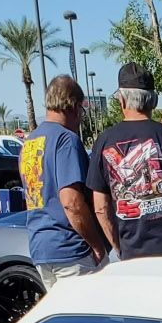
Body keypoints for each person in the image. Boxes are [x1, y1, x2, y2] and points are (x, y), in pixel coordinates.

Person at [87, 65, 162, 262]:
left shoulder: (104, 141)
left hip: (132, 257)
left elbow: (100, 206)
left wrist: (118, 247)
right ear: (154, 100)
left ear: (122, 100)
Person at [20, 73, 110, 289]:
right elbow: (71, 202)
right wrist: (97, 245)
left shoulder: (30, 143)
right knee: (90, 310)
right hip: (71, 249)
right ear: (75, 106)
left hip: (40, 249)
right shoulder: (66, 140)